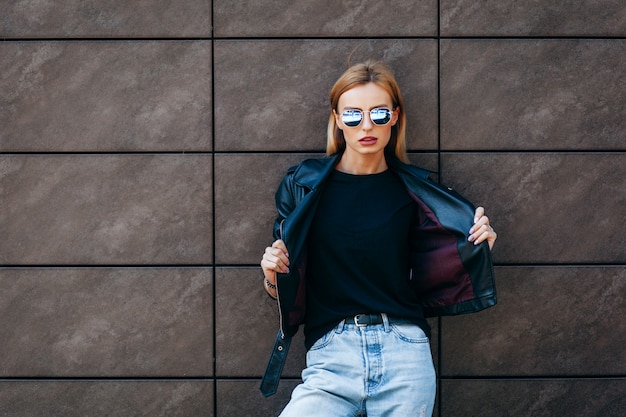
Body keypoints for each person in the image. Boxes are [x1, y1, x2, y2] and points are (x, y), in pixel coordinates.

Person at [259, 60, 497, 416]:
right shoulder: (303, 187)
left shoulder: (418, 193)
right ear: (338, 120)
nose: (366, 125)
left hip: (405, 353)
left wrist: (476, 247)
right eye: (353, 115)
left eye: (378, 113)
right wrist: (271, 273)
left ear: (395, 116)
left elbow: (436, 268)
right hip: (331, 355)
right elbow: (284, 286)